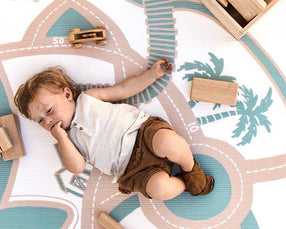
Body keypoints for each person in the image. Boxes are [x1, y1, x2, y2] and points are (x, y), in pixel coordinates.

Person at [13, 59, 214, 200]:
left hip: (142, 134)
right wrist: (62, 138)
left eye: (49, 111)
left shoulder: (89, 98)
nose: (48, 121)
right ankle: (185, 184)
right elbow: (77, 167)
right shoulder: (67, 141)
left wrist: (152, 75)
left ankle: (191, 170)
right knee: (159, 189)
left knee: (169, 142)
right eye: (40, 121)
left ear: (67, 95)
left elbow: (123, 89)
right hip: (132, 170)